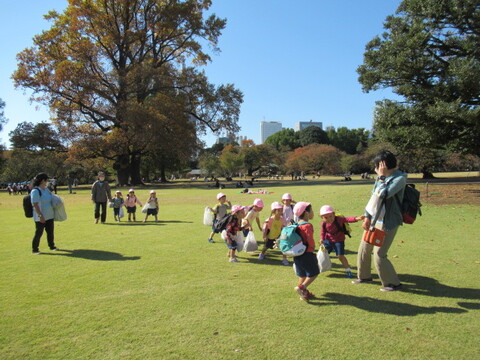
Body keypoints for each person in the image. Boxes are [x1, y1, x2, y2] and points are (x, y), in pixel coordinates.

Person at [353, 150, 407, 292]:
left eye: (378, 165)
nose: (376, 169)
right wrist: (367, 217)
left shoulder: (399, 178)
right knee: (364, 249)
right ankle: (364, 276)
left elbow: (385, 194)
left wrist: (381, 177)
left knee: (379, 254)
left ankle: (393, 284)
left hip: (388, 222)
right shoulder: (380, 178)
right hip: (374, 220)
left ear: (384, 165)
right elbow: (373, 198)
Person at [319, 205, 364, 278]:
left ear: (334, 214)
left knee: (340, 256)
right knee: (323, 253)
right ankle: (319, 267)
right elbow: (323, 232)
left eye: (330, 216)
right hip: (328, 240)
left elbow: (347, 219)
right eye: (326, 217)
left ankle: (348, 270)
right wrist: (322, 238)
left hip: (339, 241)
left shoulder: (339, 219)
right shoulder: (323, 223)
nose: (329, 219)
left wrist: (356, 218)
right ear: (322, 218)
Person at [292, 201, 319, 301]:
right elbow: (309, 240)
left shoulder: (295, 225)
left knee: (302, 274)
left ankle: (303, 294)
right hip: (307, 253)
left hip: (297, 254)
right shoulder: (307, 225)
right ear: (306, 213)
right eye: (311, 210)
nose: (312, 212)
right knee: (314, 272)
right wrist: (313, 248)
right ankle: (302, 287)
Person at [31, 173, 58, 254]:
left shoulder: (46, 189)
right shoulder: (35, 191)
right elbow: (35, 204)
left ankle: (52, 246)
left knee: (50, 232)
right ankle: (35, 249)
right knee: (39, 232)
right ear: (43, 180)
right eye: (46, 180)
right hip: (40, 216)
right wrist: (40, 216)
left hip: (49, 214)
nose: (47, 182)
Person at [259, 201, 289, 266]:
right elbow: (265, 228)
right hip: (270, 237)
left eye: (281, 210)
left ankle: (284, 259)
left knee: (283, 247)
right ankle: (262, 254)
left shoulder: (282, 219)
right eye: (279, 210)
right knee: (266, 247)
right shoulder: (270, 220)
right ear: (273, 211)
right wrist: (265, 236)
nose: (281, 212)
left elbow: (282, 227)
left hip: (278, 237)